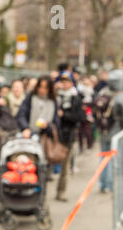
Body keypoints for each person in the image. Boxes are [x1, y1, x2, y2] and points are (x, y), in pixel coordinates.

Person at [95, 69, 123, 193]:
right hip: (116, 132)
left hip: (103, 131)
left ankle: (102, 183)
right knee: (113, 158)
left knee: (103, 157)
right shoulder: (121, 96)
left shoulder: (102, 92)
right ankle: (109, 185)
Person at [55, 72, 85, 202]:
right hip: (54, 134)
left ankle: (61, 191)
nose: (64, 84)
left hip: (68, 135)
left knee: (65, 166)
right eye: (63, 81)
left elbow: (79, 117)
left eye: (67, 81)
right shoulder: (55, 96)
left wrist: (64, 115)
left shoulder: (76, 98)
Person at [17, 76, 60, 140]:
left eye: (45, 88)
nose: (42, 90)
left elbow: (56, 122)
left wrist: (48, 126)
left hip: (45, 137)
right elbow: (21, 114)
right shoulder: (31, 97)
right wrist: (25, 128)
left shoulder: (53, 101)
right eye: (40, 87)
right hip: (28, 135)